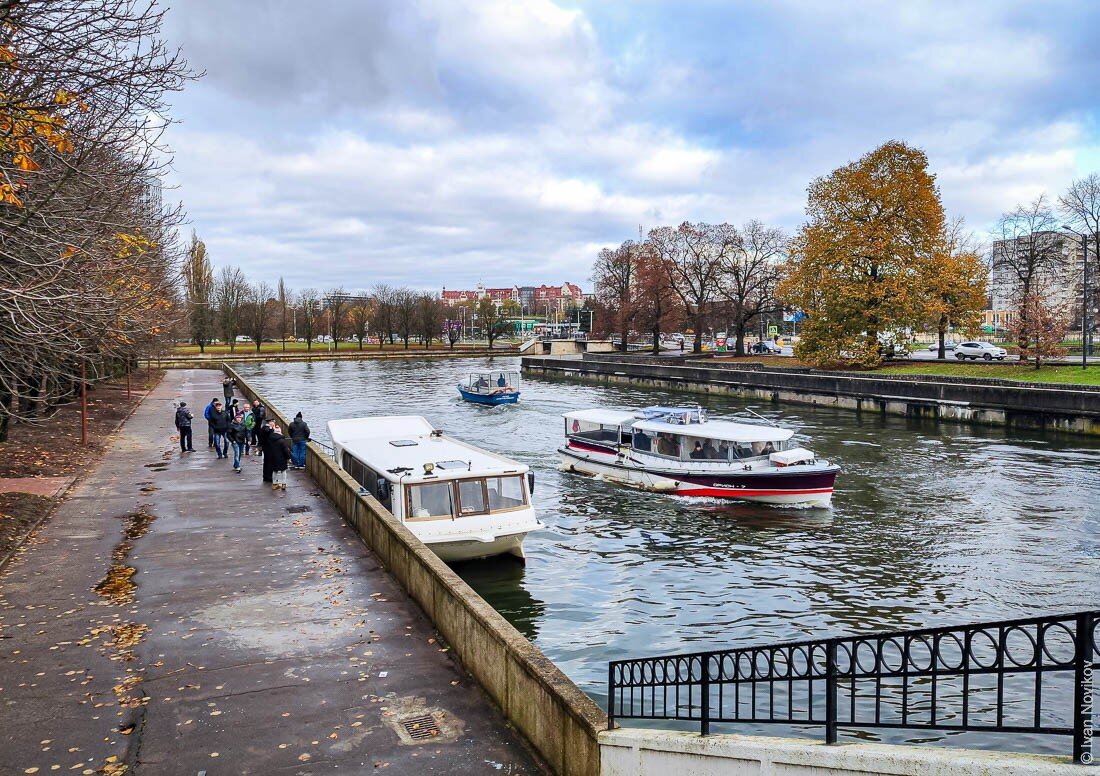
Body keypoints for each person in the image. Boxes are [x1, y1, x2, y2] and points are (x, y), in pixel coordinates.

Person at [266, 421, 292, 490]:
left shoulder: (270, 439)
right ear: (280, 432)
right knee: (283, 471)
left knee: (274, 471)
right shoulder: (282, 441)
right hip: (282, 458)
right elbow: (286, 450)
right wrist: (289, 457)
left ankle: (274, 484)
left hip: (273, 457)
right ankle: (283, 484)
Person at [257, 418, 274, 483]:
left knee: (266, 462)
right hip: (269, 447)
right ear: (270, 422)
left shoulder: (263, 428)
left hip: (264, 447)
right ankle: (269, 477)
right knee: (270, 463)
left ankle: (265, 476)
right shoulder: (267, 429)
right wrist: (272, 429)